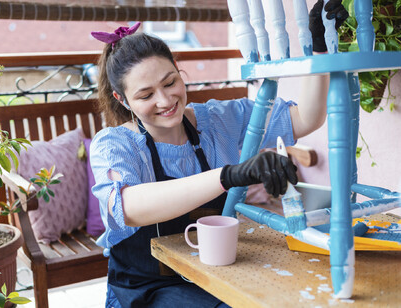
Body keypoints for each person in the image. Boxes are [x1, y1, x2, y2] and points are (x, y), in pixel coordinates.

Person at [89, 1, 347, 307]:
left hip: (213, 271)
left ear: (178, 69)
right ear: (123, 99)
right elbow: (127, 206)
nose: (165, 100)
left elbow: (306, 118)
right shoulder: (114, 145)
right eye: (145, 95)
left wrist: (319, 49)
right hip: (147, 288)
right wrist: (229, 175)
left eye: (170, 82)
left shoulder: (217, 120)